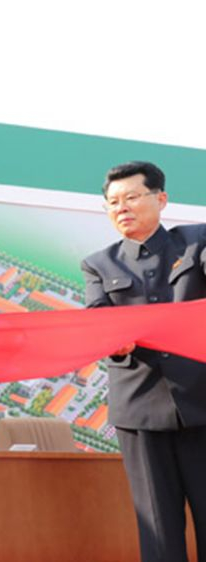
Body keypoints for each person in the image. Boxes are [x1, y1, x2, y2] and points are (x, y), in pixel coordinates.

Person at [81, 161, 206, 562]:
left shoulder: (196, 242)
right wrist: (111, 340)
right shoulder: (99, 264)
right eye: (113, 202)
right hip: (140, 412)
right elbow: (97, 320)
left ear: (161, 199)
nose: (122, 208)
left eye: (132, 197)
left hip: (202, 403)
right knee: (158, 526)